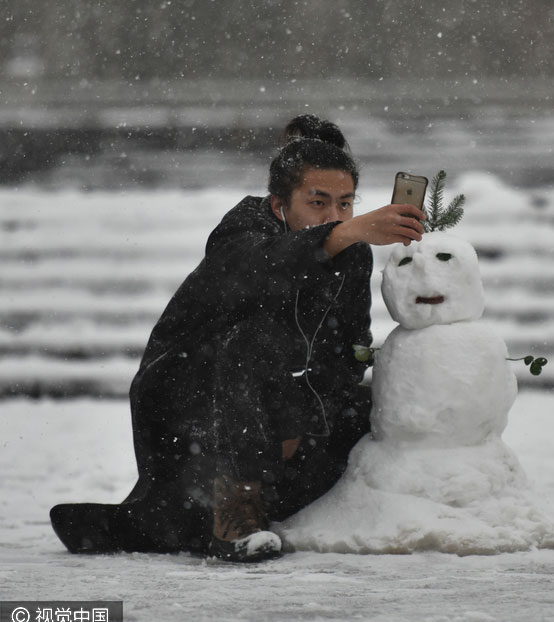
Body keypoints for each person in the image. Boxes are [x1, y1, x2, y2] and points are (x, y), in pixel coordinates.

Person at [50, 114, 426, 562]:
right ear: (277, 205)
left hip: (281, 410)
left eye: (346, 204)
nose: (334, 215)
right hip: (195, 405)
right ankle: (233, 522)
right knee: (252, 341)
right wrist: (343, 232)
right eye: (318, 202)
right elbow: (254, 271)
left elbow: (348, 349)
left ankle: (178, 522)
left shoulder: (353, 253)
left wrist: (306, 417)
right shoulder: (245, 227)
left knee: (372, 405)